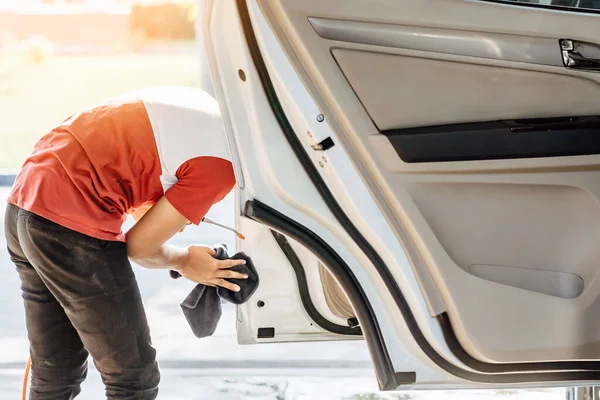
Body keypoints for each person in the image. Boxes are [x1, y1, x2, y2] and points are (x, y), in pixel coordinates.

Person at [4, 86, 248, 399]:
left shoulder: (197, 103)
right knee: (132, 377)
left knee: (56, 369)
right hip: (70, 222)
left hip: (24, 205)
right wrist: (184, 260)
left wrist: (163, 214)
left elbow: (123, 158)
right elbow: (140, 247)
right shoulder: (221, 165)